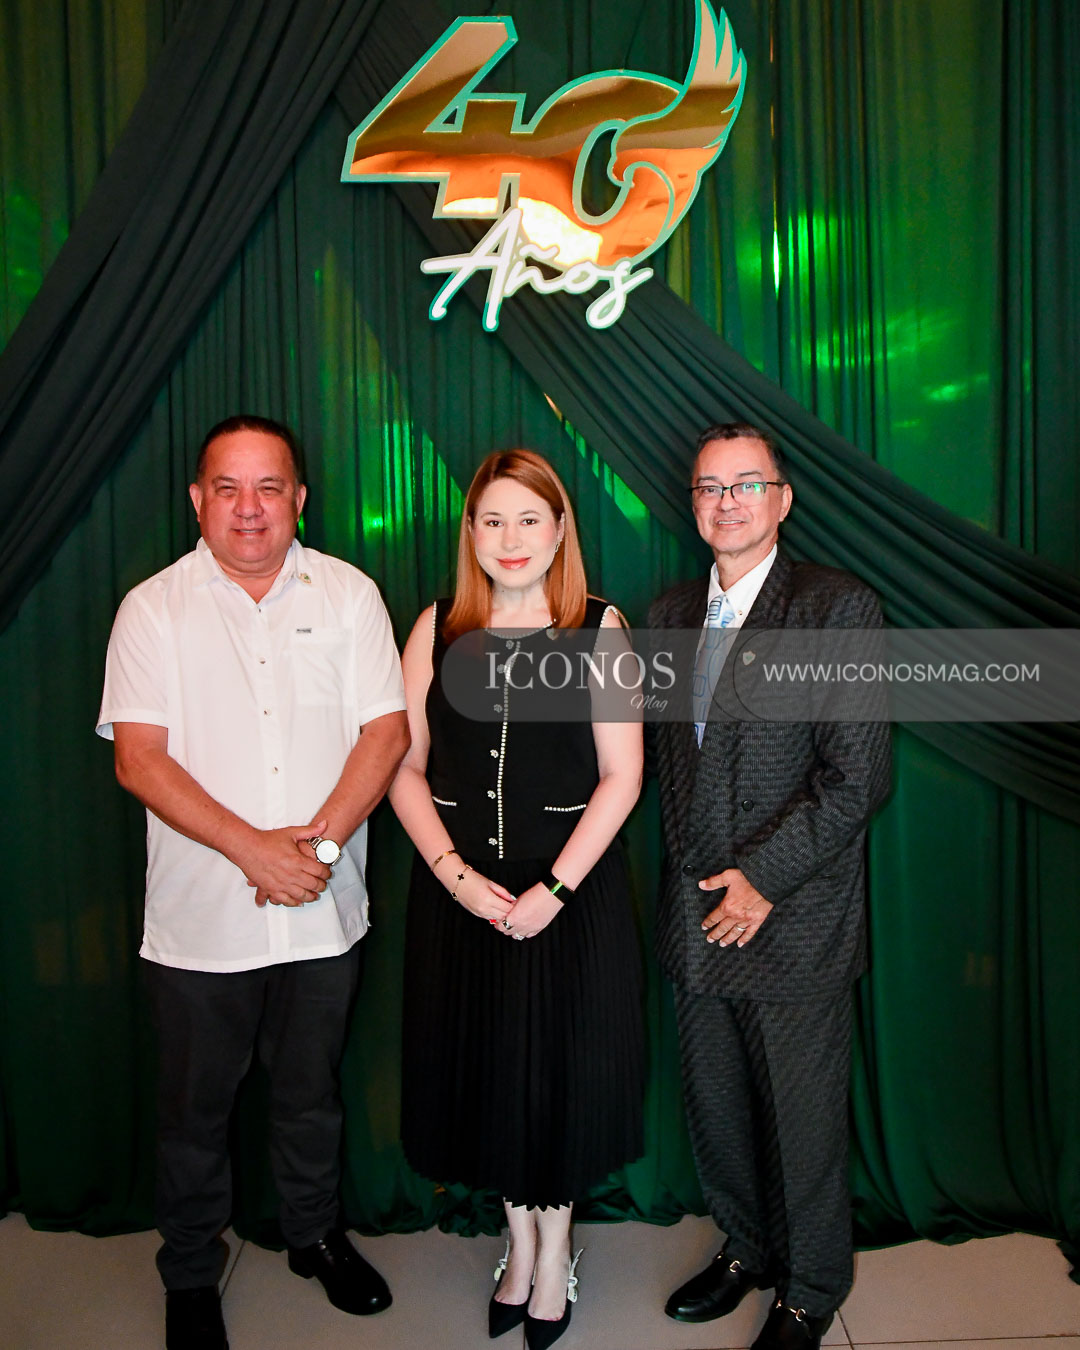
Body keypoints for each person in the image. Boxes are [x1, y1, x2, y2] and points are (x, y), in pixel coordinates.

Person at [96, 415, 410, 1350]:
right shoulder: (152, 609)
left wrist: (312, 853)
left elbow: (385, 734)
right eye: (227, 488)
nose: (249, 508)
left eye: (269, 487)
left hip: (322, 912)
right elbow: (139, 760)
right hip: (202, 924)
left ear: (298, 499)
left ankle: (314, 1236)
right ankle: (192, 1273)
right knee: (194, 1114)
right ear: (198, 499)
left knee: (311, 1095)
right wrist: (254, 852)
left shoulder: (350, 595)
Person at [389, 450, 645, 1350]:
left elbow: (622, 776)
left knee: (558, 1076)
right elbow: (404, 768)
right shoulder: (437, 628)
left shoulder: (601, 628)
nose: (511, 538)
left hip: (569, 893)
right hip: (463, 896)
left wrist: (555, 890)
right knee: (492, 1073)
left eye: (529, 519)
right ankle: (519, 1241)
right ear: (470, 533)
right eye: (492, 520)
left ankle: (555, 1249)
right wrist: (456, 877)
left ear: (560, 529)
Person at [648, 423, 891, 1350]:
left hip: (794, 918)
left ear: (782, 500)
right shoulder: (669, 615)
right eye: (710, 487)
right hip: (696, 916)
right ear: (694, 505)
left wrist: (761, 879)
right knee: (716, 1107)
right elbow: (666, 768)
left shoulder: (836, 607)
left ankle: (812, 1288)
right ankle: (747, 1248)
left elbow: (858, 778)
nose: (728, 502)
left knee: (802, 1120)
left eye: (747, 484)